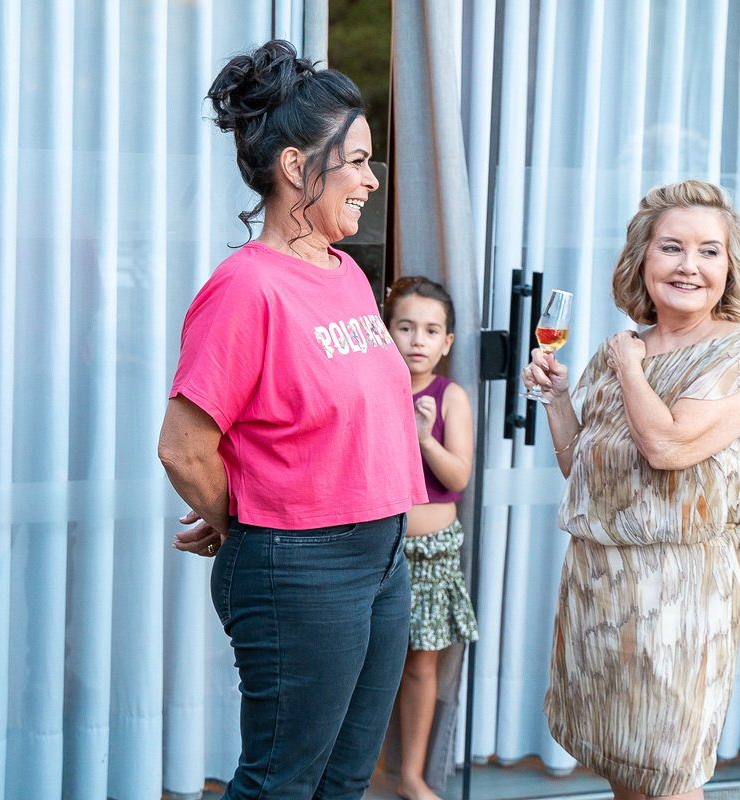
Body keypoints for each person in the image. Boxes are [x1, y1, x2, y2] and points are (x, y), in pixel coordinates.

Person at [157, 40, 427, 800]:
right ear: (295, 167)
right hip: (304, 567)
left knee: (344, 779)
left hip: (383, 555)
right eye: (358, 162)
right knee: (281, 783)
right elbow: (183, 448)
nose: (372, 180)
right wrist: (244, 518)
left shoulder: (346, 274)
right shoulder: (246, 288)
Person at [522, 180, 740, 800]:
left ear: (729, 266)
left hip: (679, 595)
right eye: (672, 247)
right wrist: (558, 398)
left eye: (708, 251)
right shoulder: (622, 351)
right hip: (599, 590)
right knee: (625, 765)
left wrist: (627, 366)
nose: (689, 265)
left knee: (669, 772)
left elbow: (667, 448)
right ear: (642, 258)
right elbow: (584, 473)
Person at [382, 277, 479, 800]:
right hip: (378, 549)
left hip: (433, 552)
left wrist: (424, 438)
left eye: (431, 330)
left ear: (447, 342)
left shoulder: (450, 397)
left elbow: (458, 476)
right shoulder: (374, 389)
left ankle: (412, 776)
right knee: (362, 663)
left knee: (421, 665)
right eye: (406, 327)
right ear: (385, 331)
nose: (418, 340)